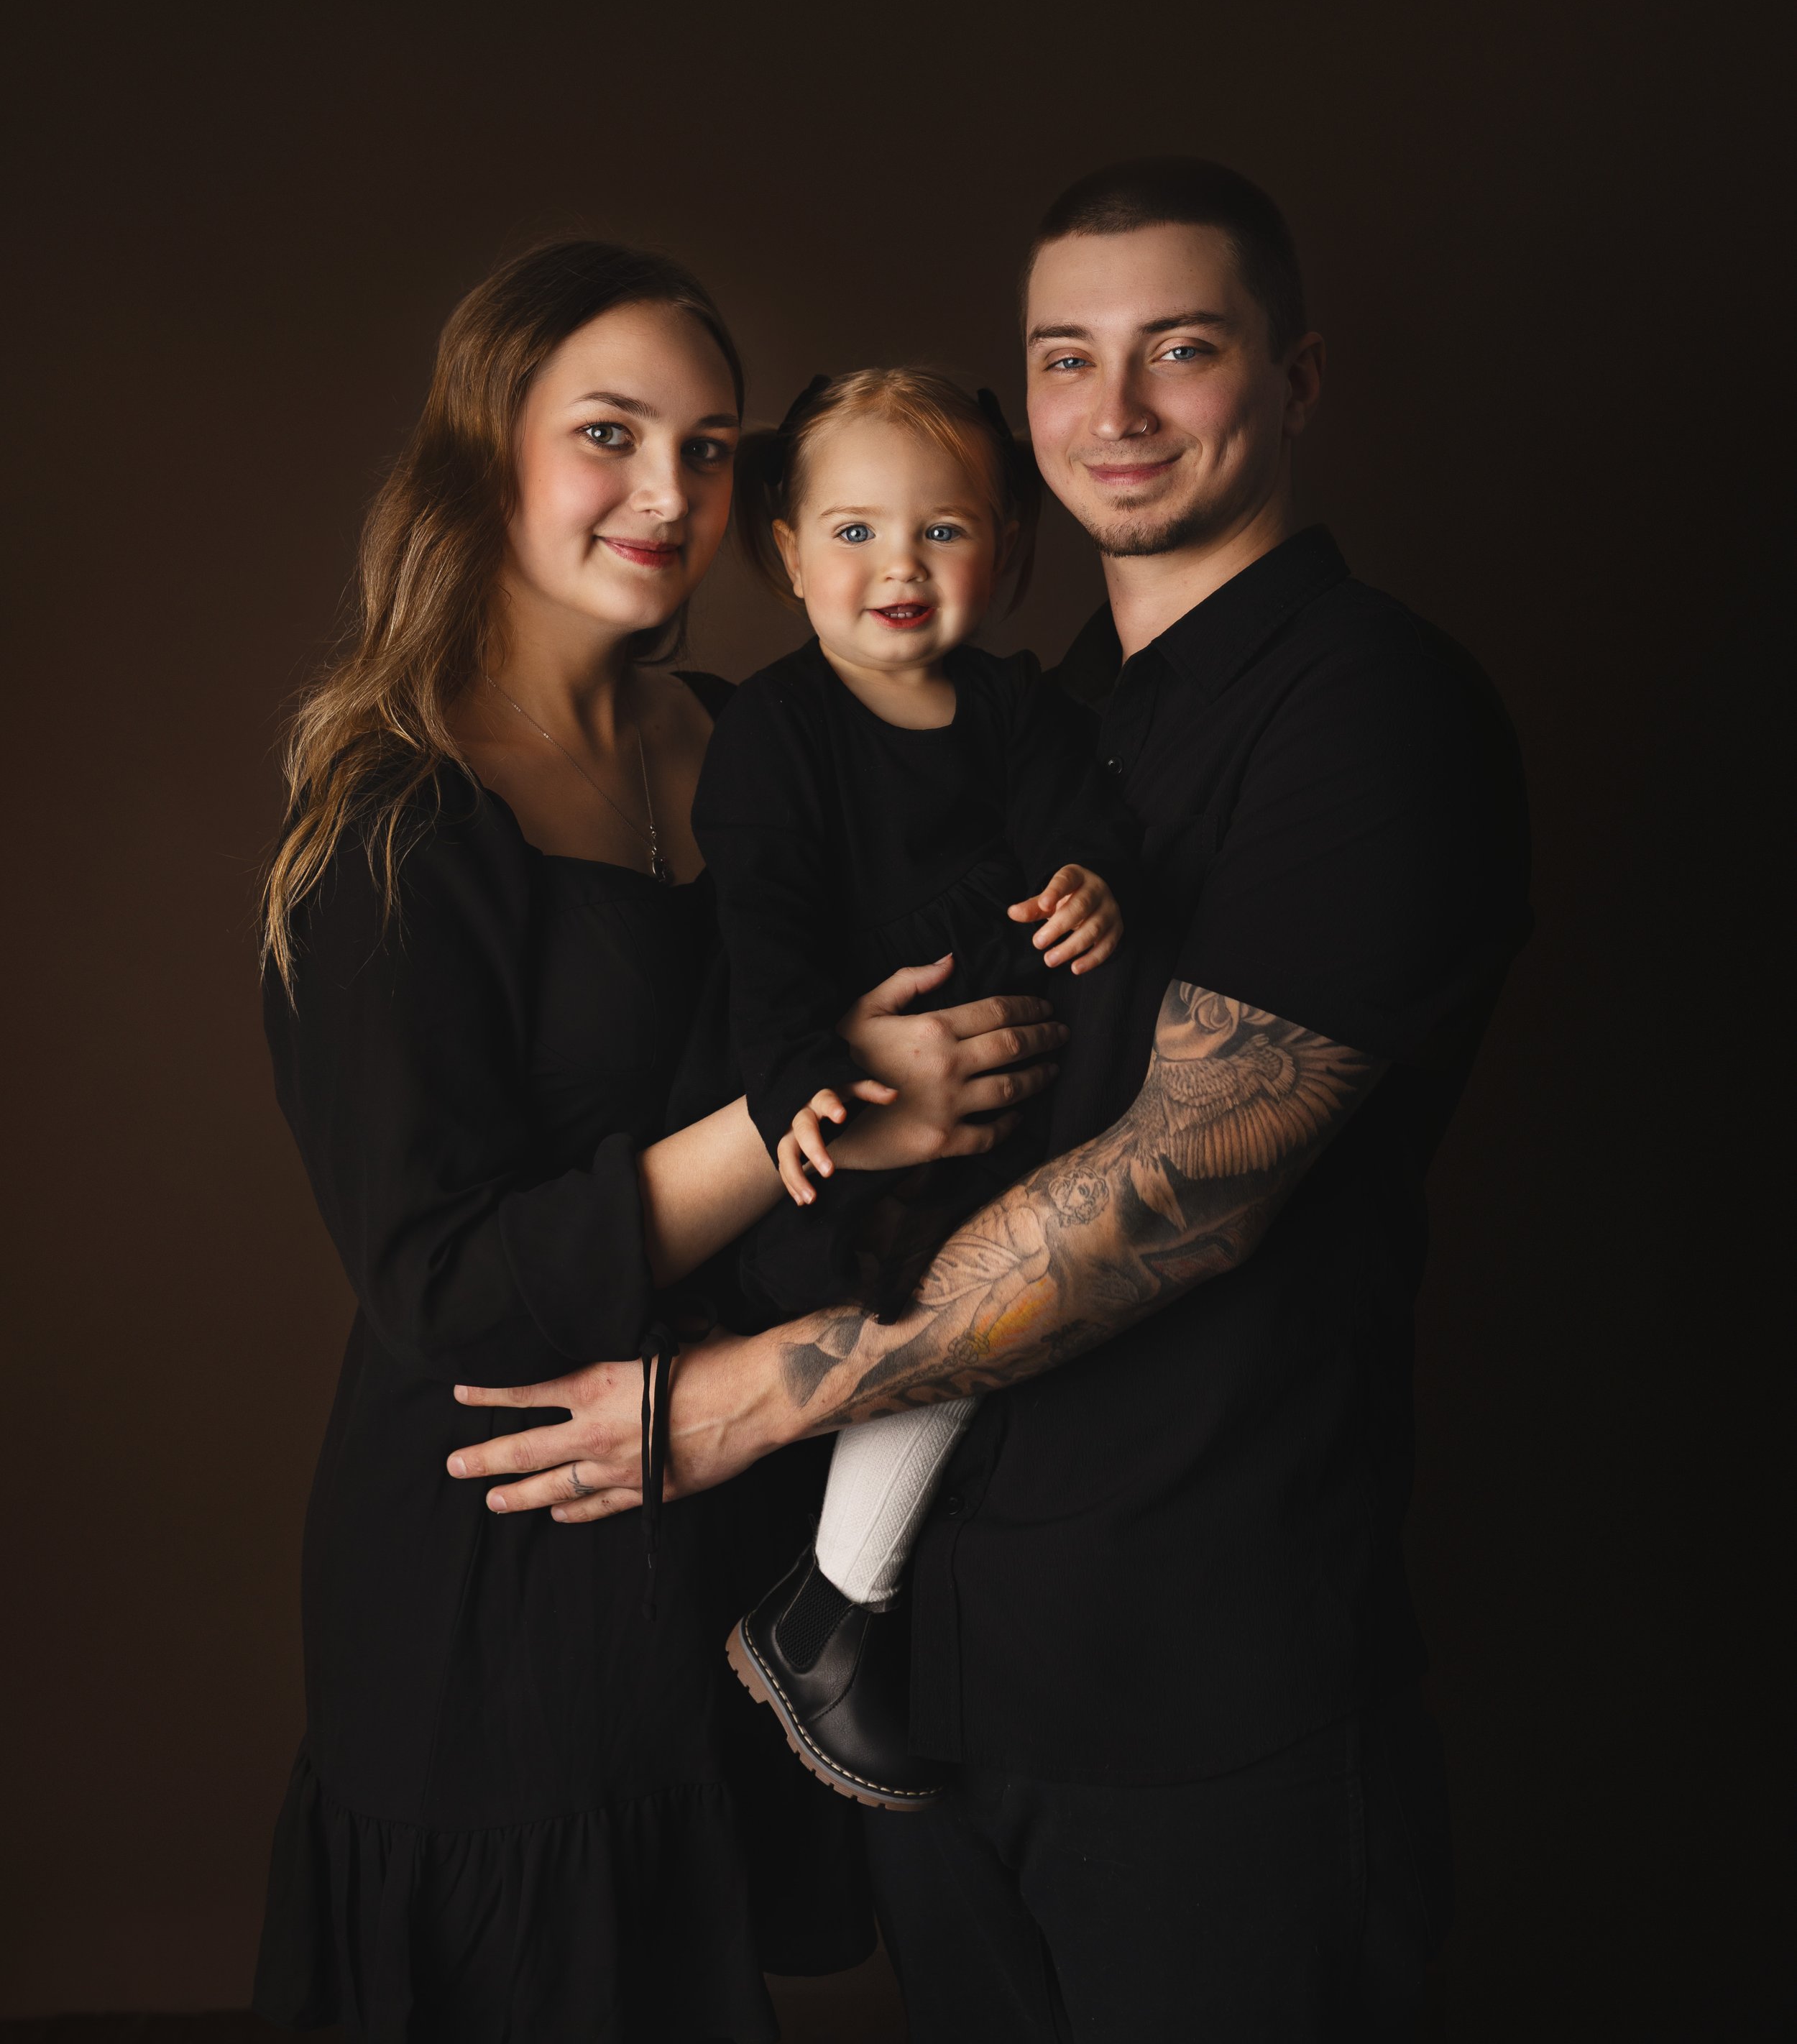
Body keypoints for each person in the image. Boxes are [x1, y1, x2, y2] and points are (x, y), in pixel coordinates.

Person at [446, 160, 1532, 2040]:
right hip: (940, 1683)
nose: (1111, 413)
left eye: (1178, 351)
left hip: (1201, 1697)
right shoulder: (1042, 716)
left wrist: (731, 1405)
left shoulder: (1369, 712)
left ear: (1295, 380)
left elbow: (1175, 1199)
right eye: (1062, 358)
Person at [252, 239, 1068, 2044]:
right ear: (484, 453)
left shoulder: (743, 741)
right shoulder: (397, 817)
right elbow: (440, 1283)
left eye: (709, 449)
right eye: (608, 435)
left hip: (721, 1503)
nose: (667, 493)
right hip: (499, 1539)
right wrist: (819, 1115)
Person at [691, 367, 1131, 1809]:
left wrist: (1087, 885)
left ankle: (871, 1624)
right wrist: (803, 1088)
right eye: (854, 533)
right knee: (947, 1332)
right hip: (865, 1127)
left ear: (1006, 551)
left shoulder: (1013, 709)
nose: (897, 571)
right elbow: (756, 935)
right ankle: (823, 1614)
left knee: (1045, 1330)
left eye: (940, 534)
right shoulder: (778, 730)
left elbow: (1076, 823)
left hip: (1013, 1100)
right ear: (784, 552)